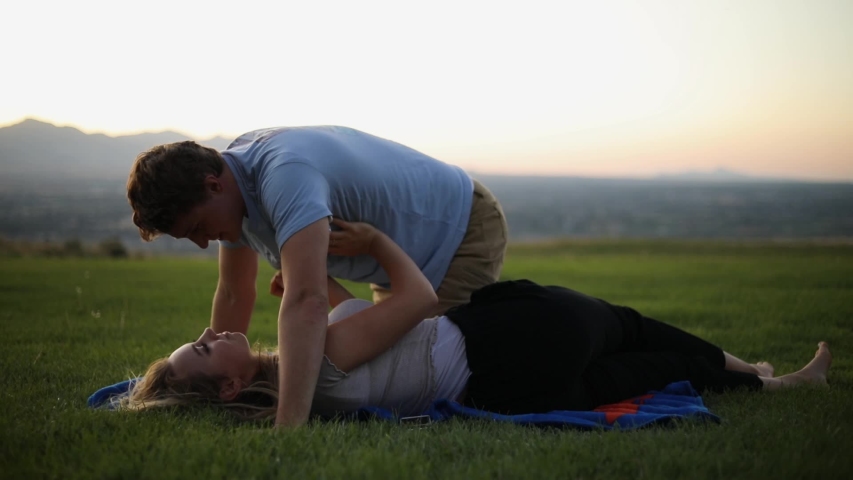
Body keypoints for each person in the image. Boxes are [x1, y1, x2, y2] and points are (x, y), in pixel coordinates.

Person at [121, 221, 833, 420]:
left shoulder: (310, 383)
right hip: (510, 339)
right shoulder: (322, 359)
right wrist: (378, 245)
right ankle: (765, 378)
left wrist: (316, 284)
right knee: (634, 328)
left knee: (647, 371)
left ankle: (763, 379)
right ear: (229, 387)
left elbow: (351, 329)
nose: (209, 333)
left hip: (509, 389)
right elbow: (417, 299)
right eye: (202, 351)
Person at [125, 126, 508, 427]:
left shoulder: (283, 177)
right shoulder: (231, 192)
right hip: (395, 263)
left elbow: (307, 300)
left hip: (456, 228)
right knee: (384, 369)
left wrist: (288, 425)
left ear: (213, 186)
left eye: (197, 228)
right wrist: (220, 389)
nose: (202, 243)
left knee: (443, 371)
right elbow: (233, 293)